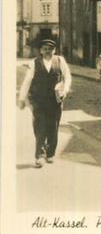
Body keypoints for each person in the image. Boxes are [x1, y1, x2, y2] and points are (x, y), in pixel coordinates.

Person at [18, 39, 72, 168]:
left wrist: (64, 90)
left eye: (50, 49)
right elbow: (27, 81)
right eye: (45, 49)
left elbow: (68, 76)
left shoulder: (60, 61)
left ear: (54, 50)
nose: (48, 51)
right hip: (39, 100)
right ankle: (39, 156)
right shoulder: (35, 63)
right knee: (40, 127)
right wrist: (21, 98)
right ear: (41, 51)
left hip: (55, 100)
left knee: (53, 127)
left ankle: (50, 153)